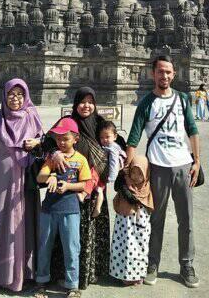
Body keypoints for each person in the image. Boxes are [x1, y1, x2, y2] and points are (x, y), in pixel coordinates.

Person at [126, 55, 200, 288]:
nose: (164, 76)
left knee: (185, 218)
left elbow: (193, 130)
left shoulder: (183, 99)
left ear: (173, 74)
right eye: (160, 71)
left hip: (182, 165)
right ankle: (152, 263)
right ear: (153, 74)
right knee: (155, 218)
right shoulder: (146, 103)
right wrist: (127, 172)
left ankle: (186, 264)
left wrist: (196, 161)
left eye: (168, 72)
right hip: (157, 166)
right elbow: (134, 138)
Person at [0, 78, 43, 293]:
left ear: (26, 96)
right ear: (4, 96)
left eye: (20, 94)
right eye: (11, 94)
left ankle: (25, 273)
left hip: (25, 182)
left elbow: (45, 144)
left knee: (25, 224)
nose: (15, 98)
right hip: (1, 183)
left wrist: (38, 143)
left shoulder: (32, 118)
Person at [47, 87, 114, 290]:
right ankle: (63, 273)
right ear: (75, 104)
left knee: (89, 230)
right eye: (82, 101)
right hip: (69, 191)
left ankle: (89, 271)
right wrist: (54, 153)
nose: (86, 105)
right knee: (69, 235)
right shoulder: (68, 123)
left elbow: (116, 143)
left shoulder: (101, 123)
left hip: (94, 187)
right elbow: (47, 140)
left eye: (90, 101)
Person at [35, 118, 91, 298]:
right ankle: (42, 282)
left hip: (70, 210)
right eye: (58, 139)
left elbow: (84, 184)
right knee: (44, 246)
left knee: (72, 247)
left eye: (65, 138)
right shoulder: (52, 157)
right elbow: (39, 177)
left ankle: (72, 285)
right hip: (49, 210)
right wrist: (50, 175)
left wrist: (67, 186)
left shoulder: (80, 160)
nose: (61, 142)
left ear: (75, 139)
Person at [110, 155, 154, 286]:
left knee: (140, 247)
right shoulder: (125, 183)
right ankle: (124, 275)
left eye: (140, 173)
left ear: (146, 173)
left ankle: (138, 275)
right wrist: (121, 175)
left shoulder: (146, 187)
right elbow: (118, 186)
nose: (135, 176)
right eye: (133, 172)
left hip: (140, 223)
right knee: (124, 246)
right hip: (125, 222)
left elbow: (143, 202)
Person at [81, 120, 126, 218]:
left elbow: (114, 163)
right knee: (99, 190)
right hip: (104, 173)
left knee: (93, 177)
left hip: (106, 173)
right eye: (101, 137)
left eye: (107, 137)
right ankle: (97, 207)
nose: (104, 140)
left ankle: (85, 195)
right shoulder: (110, 146)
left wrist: (111, 177)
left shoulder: (112, 148)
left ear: (115, 137)